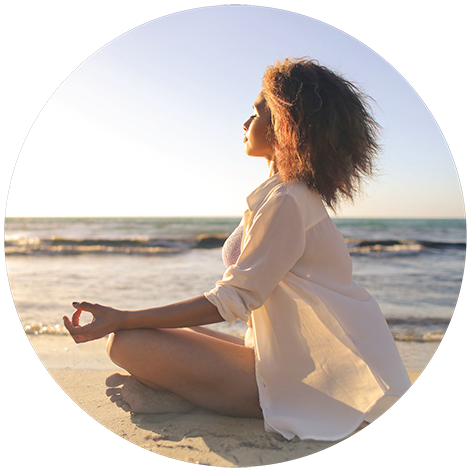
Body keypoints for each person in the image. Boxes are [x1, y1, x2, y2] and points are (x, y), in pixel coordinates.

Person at [64, 58, 411, 441]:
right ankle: (186, 393)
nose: (245, 124)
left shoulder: (288, 200)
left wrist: (122, 318)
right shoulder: (282, 193)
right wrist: (130, 316)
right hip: (283, 357)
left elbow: (233, 300)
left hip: (311, 380)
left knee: (128, 339)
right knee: (150, 327)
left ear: (285, 126)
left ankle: (187, 396)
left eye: (257, 113)